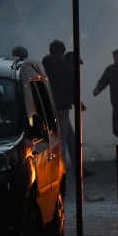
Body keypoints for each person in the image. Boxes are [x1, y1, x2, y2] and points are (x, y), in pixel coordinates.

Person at [43, 40, 76, 168]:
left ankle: (77, 166)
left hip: (48, 106)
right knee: (62, 138)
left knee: (69, 137)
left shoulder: (43, 66)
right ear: (61, 53)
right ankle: (60, 168)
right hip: (62, 106)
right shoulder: (64, 68)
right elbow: (69, 88)